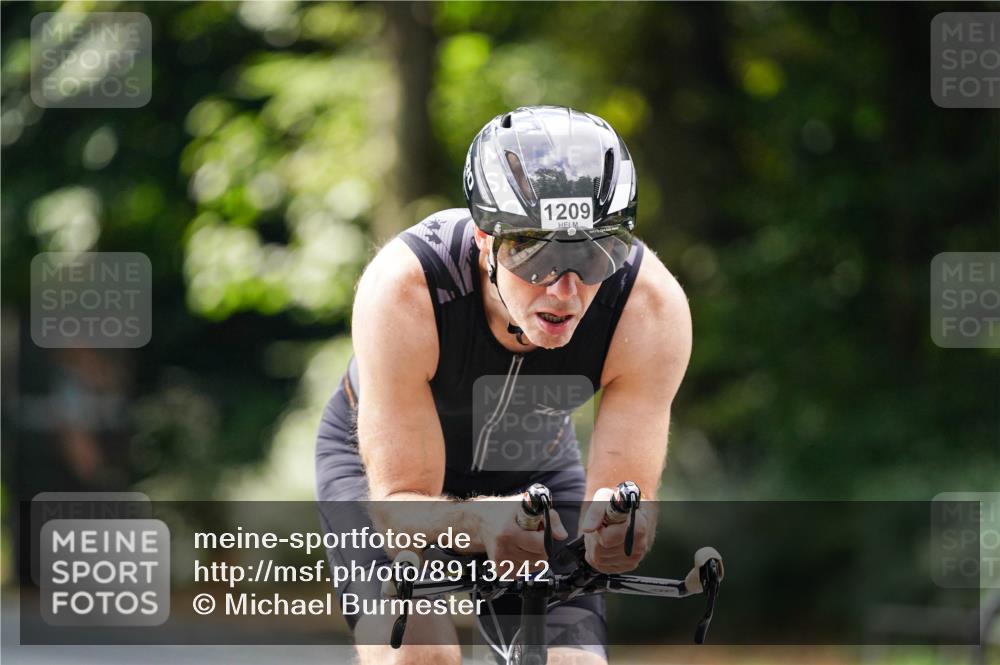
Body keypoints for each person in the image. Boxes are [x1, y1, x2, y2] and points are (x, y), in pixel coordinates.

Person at [315, 105, 692, 665]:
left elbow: (626, 503)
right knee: (418, 655)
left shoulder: (648, 309)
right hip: (382, 473)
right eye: (536, 257)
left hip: (534, 465)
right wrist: (481, 519)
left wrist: (618, 528)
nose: (565, 290)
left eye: (594, 255)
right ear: (486, 243)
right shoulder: (405, 292)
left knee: (574, 662)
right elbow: (398, 503)